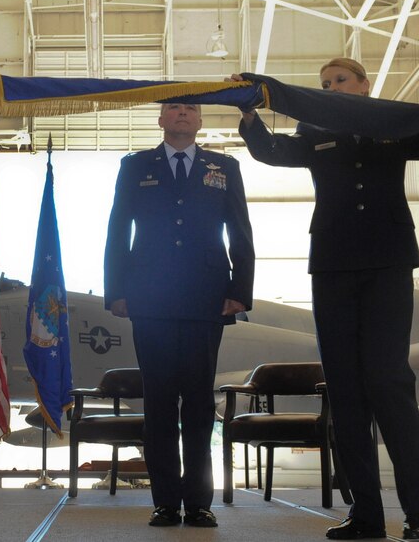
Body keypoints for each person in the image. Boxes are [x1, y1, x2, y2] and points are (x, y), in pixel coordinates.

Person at [231, 59, 419, 540]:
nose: (331, 88)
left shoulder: (393, 124)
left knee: (388, 381)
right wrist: (250, 117)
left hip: (387, 264)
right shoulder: (314, 131)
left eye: (339, 81)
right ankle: (365, 514)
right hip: (332, 266)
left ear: (363, 85)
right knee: (345, 389)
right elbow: (273, 152)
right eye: (324, 84)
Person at [104, 102, 255, 528]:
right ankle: (166, 501)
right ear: (161, 119)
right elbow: (119, 226)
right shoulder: (136, 166)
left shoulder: (224, 166)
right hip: (149, 297)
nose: (183, 114)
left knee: (200, 402)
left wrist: (240, 290)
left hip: (206, 296)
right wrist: (116, 289)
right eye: (174, 108)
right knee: (159, 402)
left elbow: (240, 228)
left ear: (201, 120)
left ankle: (199, 501)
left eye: (190, 108)